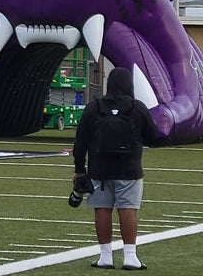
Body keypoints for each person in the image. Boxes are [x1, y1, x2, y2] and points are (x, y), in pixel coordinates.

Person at [73, 67, 157, 270]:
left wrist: (79, 169)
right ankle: (130, 257)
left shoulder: (94, 107)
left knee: (102, 209)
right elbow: (153, 135)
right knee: (128, 209)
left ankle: (105, 257)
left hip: (99, 168)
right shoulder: (137, 107)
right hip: (129, 168)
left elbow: (80, 141)